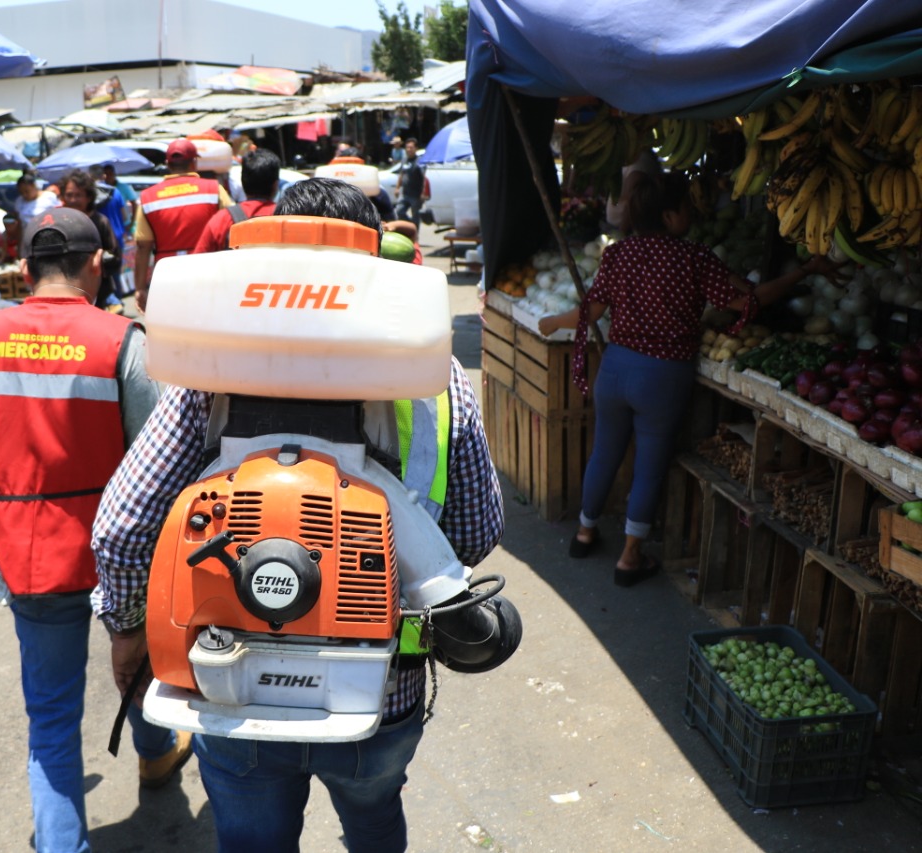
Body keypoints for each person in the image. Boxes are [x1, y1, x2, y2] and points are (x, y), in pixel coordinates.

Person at [92, 177, 504, 853]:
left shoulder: (209, 369)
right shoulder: (436, 375)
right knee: (374, 823)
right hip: (381, 691)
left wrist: (128, 628)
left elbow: (125, 522)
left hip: (232, 679)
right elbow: (474, 535)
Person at [0, 209, 190, 853]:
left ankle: (66, 840)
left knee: (51, 718)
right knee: (138, 660)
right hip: (121, 553)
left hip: (26, 555)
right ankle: (156, 749)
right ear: (98, 264)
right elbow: (156, 460)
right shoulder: (121, 340)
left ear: (24, 268)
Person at [537, 172, 843, 585]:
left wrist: (553, 321)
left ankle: (585, 532)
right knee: (648, 465)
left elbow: (590, 312)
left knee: (604, 452)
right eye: (686, 208)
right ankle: (629, 558)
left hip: (615, 368)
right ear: (668, 215)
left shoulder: (618, 255)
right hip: (662, 376)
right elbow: (745, 302)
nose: (692, 214)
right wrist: (802, 272)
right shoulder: (694, 257)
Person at [133, 138, 232, 312]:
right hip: (207, 271)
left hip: (167, 276)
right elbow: (231, 226)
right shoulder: (213, 189)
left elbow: (143, 246)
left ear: (167, 165)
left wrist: (140, 288)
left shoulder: (148, 198)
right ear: (194, 163)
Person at [192, 148, 280, 254]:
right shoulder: (289, 216)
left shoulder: (222, 220)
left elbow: (198, 260)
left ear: (242, 182)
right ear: (275, 185)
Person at [60, 170, 123, 312]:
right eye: (69, 195)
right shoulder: (59, 222)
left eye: (78, 195)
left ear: (88, 197)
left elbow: (115, 257)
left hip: (96, 292)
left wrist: (91, 262)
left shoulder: (100, 222)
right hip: (66, 291)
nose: (73, 200)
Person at [14, 173, 61, 251]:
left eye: (27, 191)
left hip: (47, 238)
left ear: (34, 186)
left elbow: (59, 214)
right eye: (21, 192)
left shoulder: (49, 197)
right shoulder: (19, 201)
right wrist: (20, 245)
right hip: (28, 240)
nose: (24, 195)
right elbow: (19, 225)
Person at [393, 138, 428, 229]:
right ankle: (410, 225)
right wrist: (397, 188)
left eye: (411, 147)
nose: (409, 149)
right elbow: (401, 174)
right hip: (404, 193)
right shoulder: (404, 160)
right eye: (407, 147)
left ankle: (415, 238)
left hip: (415, 195)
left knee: (416, 215)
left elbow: (424, 177)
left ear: (416, 148)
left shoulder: (419, 161)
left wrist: (423, 192)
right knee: (399, 212)